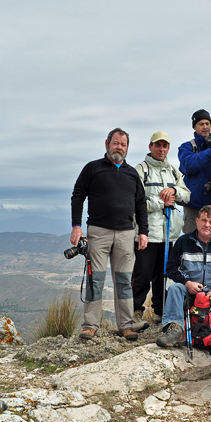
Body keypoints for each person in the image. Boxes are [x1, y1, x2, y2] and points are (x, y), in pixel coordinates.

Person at [70, 128, 148, 341]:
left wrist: (144, 232)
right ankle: (90, 325)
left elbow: (141, 204)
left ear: (127, 148)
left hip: (125, 234)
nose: (119, 148)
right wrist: (76, 226)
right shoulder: (92, 168)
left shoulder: (132, 173)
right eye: (116, 143)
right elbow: (77, 196)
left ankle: (126, 325)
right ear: (107, 144)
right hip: (98, 232)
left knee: (123, 280)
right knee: (96, 279)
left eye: (123, 145)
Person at [156, 205, 211, 347]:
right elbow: (171, 268)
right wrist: (186, 282)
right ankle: (174, 330)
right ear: (197, 221)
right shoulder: (183, 242)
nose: (207, 225)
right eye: (203, 220)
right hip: (190, 291)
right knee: (175, 288)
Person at [131, 131, 191, 330]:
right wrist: (160, 201)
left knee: (162, 275)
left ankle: (159, 313)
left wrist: (174, 191)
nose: (161, 149)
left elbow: (187, 195)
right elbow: (135, 202)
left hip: (169, 233)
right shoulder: (141, 170)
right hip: (146, 233)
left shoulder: (173, 171)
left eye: (165, 146)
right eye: (158, 145)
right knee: (142, 274)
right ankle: (136, 313)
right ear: (150, 147)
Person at [177, 109, 211, 234]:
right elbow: (189, 165)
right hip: (192, 207)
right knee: (190, 246)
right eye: (201, 124)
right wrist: (210, 152)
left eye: (207, 123)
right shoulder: (187, 147)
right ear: (194, 127)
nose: (205, 127)